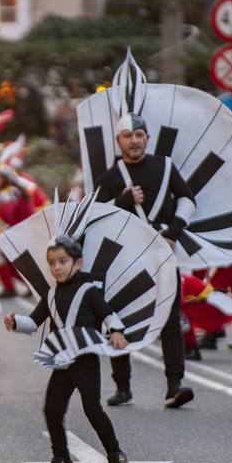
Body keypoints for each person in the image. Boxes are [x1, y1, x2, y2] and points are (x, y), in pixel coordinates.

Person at [92, 113, 195, 409]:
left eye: (139, 134)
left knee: (170, 320)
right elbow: (92, 219)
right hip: (124, 262)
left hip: (162, 255)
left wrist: (174, 231)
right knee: (118, 320)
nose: (134, 140)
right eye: (128, 135)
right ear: (119, 141)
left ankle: (174, 385)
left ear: (147, 138)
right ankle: (123, 386)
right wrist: (121, 201)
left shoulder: (165, 166)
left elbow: (187, 199)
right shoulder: (110, 178)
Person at [5, 235, 129, 463]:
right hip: (62, 362)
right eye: (51, 263)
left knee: (92, 409)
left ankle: (115, 454)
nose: (56, 267)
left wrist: (116, 331)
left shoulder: (89, 291)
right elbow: (33, 322)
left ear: (78, 263)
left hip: (85, 361)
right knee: (52, 409)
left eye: (62, 261)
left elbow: (108, 314)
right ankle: (61, 458)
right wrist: (15, 321)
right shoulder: (50, 295)